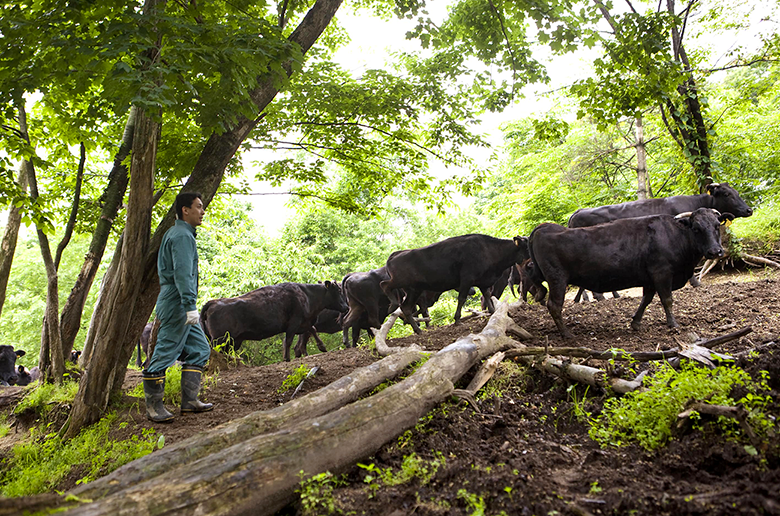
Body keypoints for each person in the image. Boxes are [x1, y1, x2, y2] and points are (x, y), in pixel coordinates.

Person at [143, 192, 213, 422]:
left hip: (180, 303)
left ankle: (190, 402)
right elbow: (183, 274)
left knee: (200, 349)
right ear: (185, 210)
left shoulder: (181, 234)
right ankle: (153, 407)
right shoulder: (182, 236)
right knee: (164, 352)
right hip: (178, 304)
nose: (202, 211)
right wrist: (189, 305)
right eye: (199, 207)